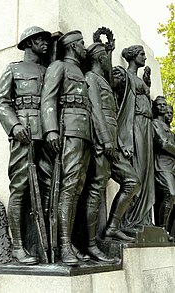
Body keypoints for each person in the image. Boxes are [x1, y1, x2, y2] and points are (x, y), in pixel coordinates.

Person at [41, 30, 115, 265]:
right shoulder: (59, 67)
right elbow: (48, 99)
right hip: (69, 132)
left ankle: (69, 242)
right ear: (73, 46)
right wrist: (51, 130)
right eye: (82, 44)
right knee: (69, 187)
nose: (85, 48)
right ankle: (63, 246)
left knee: (77, 189)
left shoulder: (83, 74)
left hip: (86, 136)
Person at [0, 26, 51, 264]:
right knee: (19, 187)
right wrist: (14, 126)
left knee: (49, 186)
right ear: (29, 43)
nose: (45, 44)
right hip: (24, 134)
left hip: (48, 135)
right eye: (40, 40)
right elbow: (1, 102)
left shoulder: (49, 70)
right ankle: (18, 246)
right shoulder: (13, 69)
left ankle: (50, 244)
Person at [84, 42, 140, 254]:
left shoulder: (103, 81)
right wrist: (106, 141)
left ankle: (112, 227)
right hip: (101, 144)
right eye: (106, 57)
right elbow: (96, 111)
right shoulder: (91, 78)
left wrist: (115, 143)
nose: (109, 60)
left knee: (133, 181)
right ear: (100, 59)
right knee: (96, 190)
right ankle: (91, 245)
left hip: (112, 146)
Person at [113, 45, 155, 230]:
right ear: (132, 57)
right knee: (137, 168)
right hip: (135, 124)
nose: (145, 58)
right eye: (141, 54)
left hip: (147, 126)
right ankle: (131, 218)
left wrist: (147, 85)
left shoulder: (139, 80)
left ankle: (144, 218)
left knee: (146, 170)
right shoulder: (125, 75)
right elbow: (114, 88)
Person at [152, 96, 175, 233]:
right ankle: (162, 229)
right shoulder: (155, 123)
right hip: (162, 165)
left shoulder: (168, 129)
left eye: (164, 105)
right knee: (170, 194)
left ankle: (168, 232)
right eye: (159, 105)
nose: (162, 107)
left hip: (172, 166)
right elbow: (163, 143)